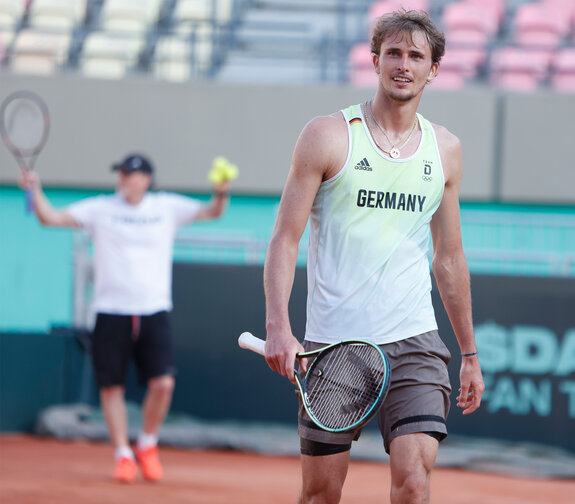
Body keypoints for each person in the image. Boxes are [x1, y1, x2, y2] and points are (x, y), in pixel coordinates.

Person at [262, 9, 484, 504]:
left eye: (416, 56)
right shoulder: (327, 135)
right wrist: (278, 324)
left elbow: (449, 259)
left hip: (414, 343)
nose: (404, 64)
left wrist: (469, 353)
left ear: (434, 69)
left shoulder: (445, 150)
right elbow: (285, 238)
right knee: (321, 495)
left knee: (413, 483)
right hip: (333, 347)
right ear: (376, 60)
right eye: (394, 53)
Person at [18, 153, 232, 484]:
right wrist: (34, 190)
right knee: (111, 387)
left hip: (154, 311)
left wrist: (221, 191)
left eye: (129, 174)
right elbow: (49, 218)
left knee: (163, 383)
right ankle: (122, 454)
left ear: (146, 178)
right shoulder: (101, 208)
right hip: (110, 311)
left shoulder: (166, 207)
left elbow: (213, 211)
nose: (122, 179)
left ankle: (147, 444)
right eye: (120, 173)